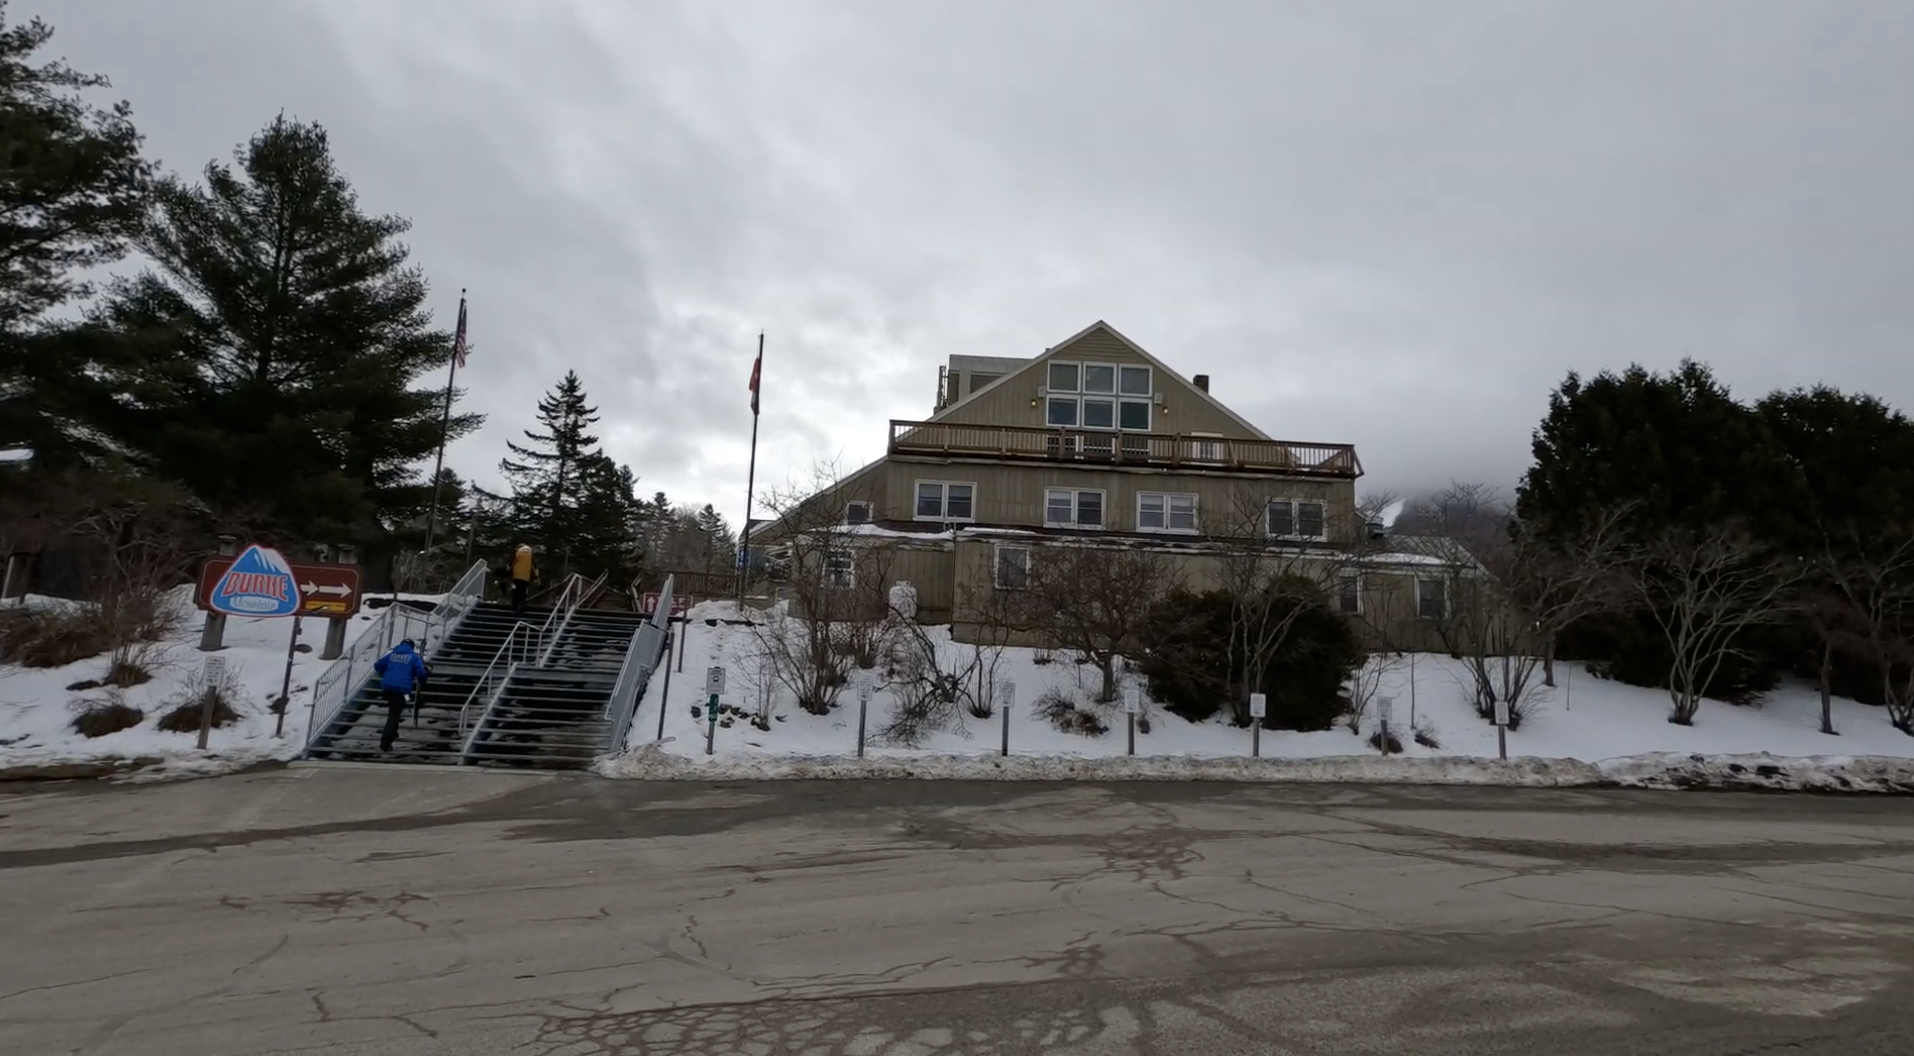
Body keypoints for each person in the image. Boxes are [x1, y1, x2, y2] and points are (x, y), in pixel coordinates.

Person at [372, 638, 429, 752]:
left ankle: (393, 731)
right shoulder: (413, 657)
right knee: (394, 713)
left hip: (387, 687)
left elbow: (378, 665)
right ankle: (386, 741)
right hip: (401, 689)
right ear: (411, 647)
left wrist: (386, 675)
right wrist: (424, 676)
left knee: (395, 709)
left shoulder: (392, 655)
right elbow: (420, 672)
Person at [509, 543, 536, 615]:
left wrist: (509, 572)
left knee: (516, 591)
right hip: (526, 577)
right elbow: (534, 567)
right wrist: (536, 576)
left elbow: (512, 564)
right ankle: (522, 606)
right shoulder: (531, 555)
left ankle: (514, 607)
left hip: (516, 576)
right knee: (523, 592)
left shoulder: (518, 553)